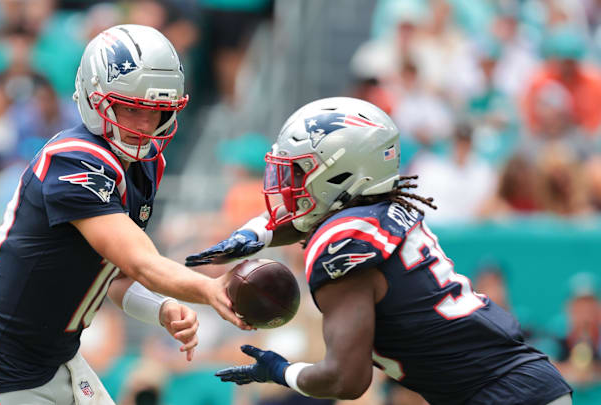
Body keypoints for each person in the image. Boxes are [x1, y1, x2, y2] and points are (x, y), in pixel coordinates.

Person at [186, 97, 573, 404]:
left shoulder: (342, 244)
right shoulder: (382, 209)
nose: (288, 183)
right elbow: (312, 219)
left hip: (504, 394)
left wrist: (280, 371)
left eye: (300, 171)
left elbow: (346, 379)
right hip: (517, 386)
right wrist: (256, 234)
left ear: (340, 173)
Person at [0, 24, 248, 405]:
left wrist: (164, 307)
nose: (143, 125)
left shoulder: (143, 164)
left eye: (156, 111)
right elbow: (140, 262)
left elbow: (116, 276)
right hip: (4, 369)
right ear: (95, 98)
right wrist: (209, 288)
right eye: (132, 107)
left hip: (55, 359)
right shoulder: (74, 161)